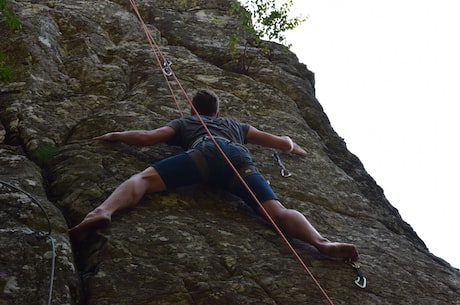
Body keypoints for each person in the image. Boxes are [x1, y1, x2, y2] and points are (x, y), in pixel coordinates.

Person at [69, 89, 359, 261]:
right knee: (278, 211)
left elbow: (148, 137)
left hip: (203, 155)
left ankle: (102, 211)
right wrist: (296, 148)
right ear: (217, 114)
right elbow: (282, 142)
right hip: (239, 161)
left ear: (193, 109)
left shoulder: (186, 121)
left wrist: (114, 134)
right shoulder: (236, 125)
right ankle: (322, 243)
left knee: (142, 180)